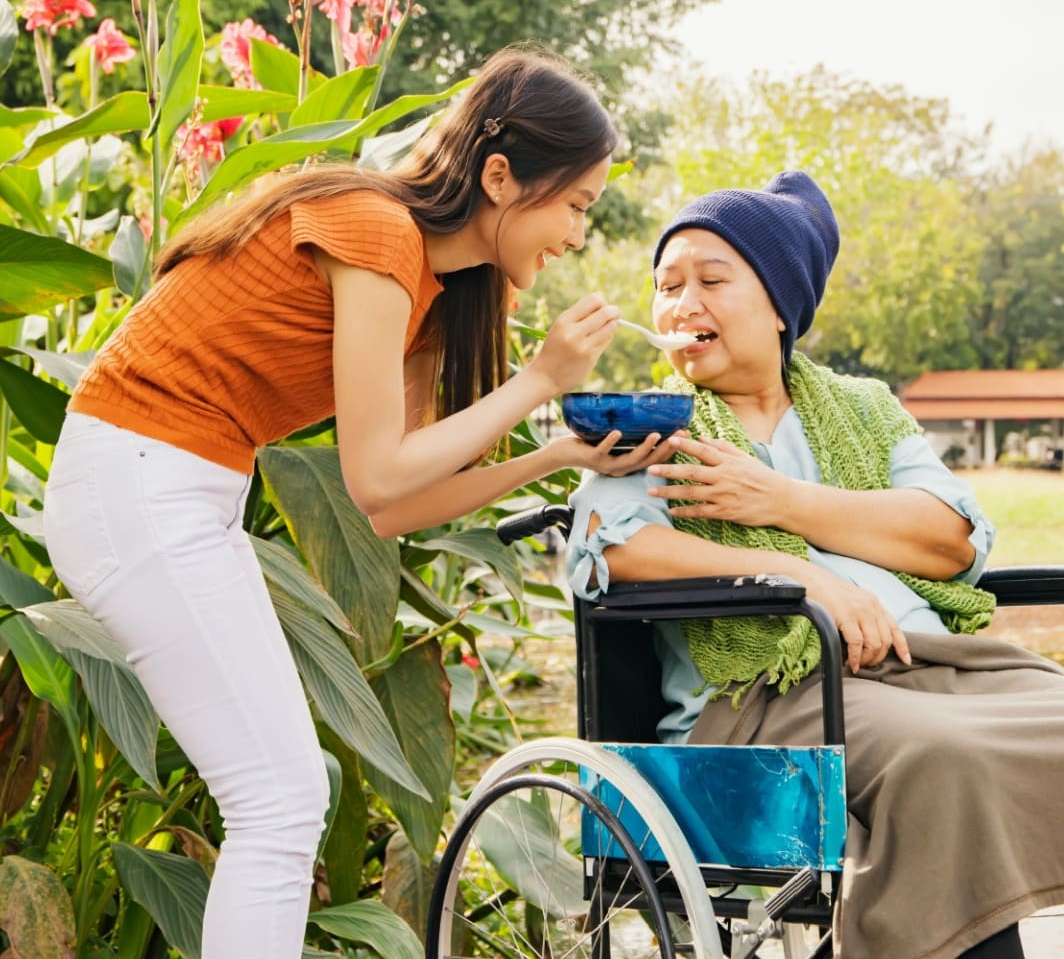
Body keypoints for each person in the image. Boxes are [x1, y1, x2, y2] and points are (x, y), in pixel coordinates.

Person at [42, 47, 674, 959]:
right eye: (576, 203)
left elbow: (387, 509)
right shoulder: (378, 233)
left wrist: (555, 455)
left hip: (176, 488)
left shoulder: (429, 292)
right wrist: (539, 381)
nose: (579, 233)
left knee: (284, 796)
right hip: (138, 478)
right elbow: (379, 474)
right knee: (281, 799)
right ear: (501, 177)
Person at [565, 170, 1064, 959]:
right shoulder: (653, 424)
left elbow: (951, 541)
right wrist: (800, 577)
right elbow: (614, 546)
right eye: (666, 286)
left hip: (931, 666)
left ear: (778, 306)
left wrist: (778, 500)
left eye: (711, 280)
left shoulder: (864, 409)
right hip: (773, 696)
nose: (681, 303)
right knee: (946, 762)